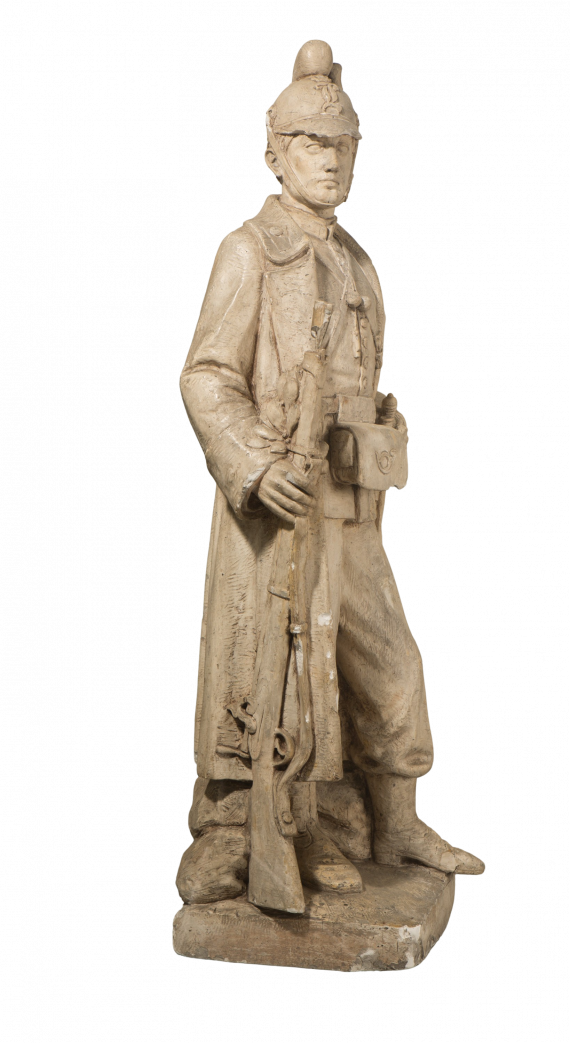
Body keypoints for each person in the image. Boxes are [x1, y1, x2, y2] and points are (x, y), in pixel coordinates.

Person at [176, 39, 484, 907]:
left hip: (350, 505)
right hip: (280, 508)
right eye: (314, 142)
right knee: (287, 675)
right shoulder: (249, 250)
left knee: (390, 662)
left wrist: (384, 427)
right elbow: (206, 375)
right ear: (275, 153)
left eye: (346, 145)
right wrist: (254, 463)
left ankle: (395, 821)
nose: (333, 159)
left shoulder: (357, 259)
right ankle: (288, 830)